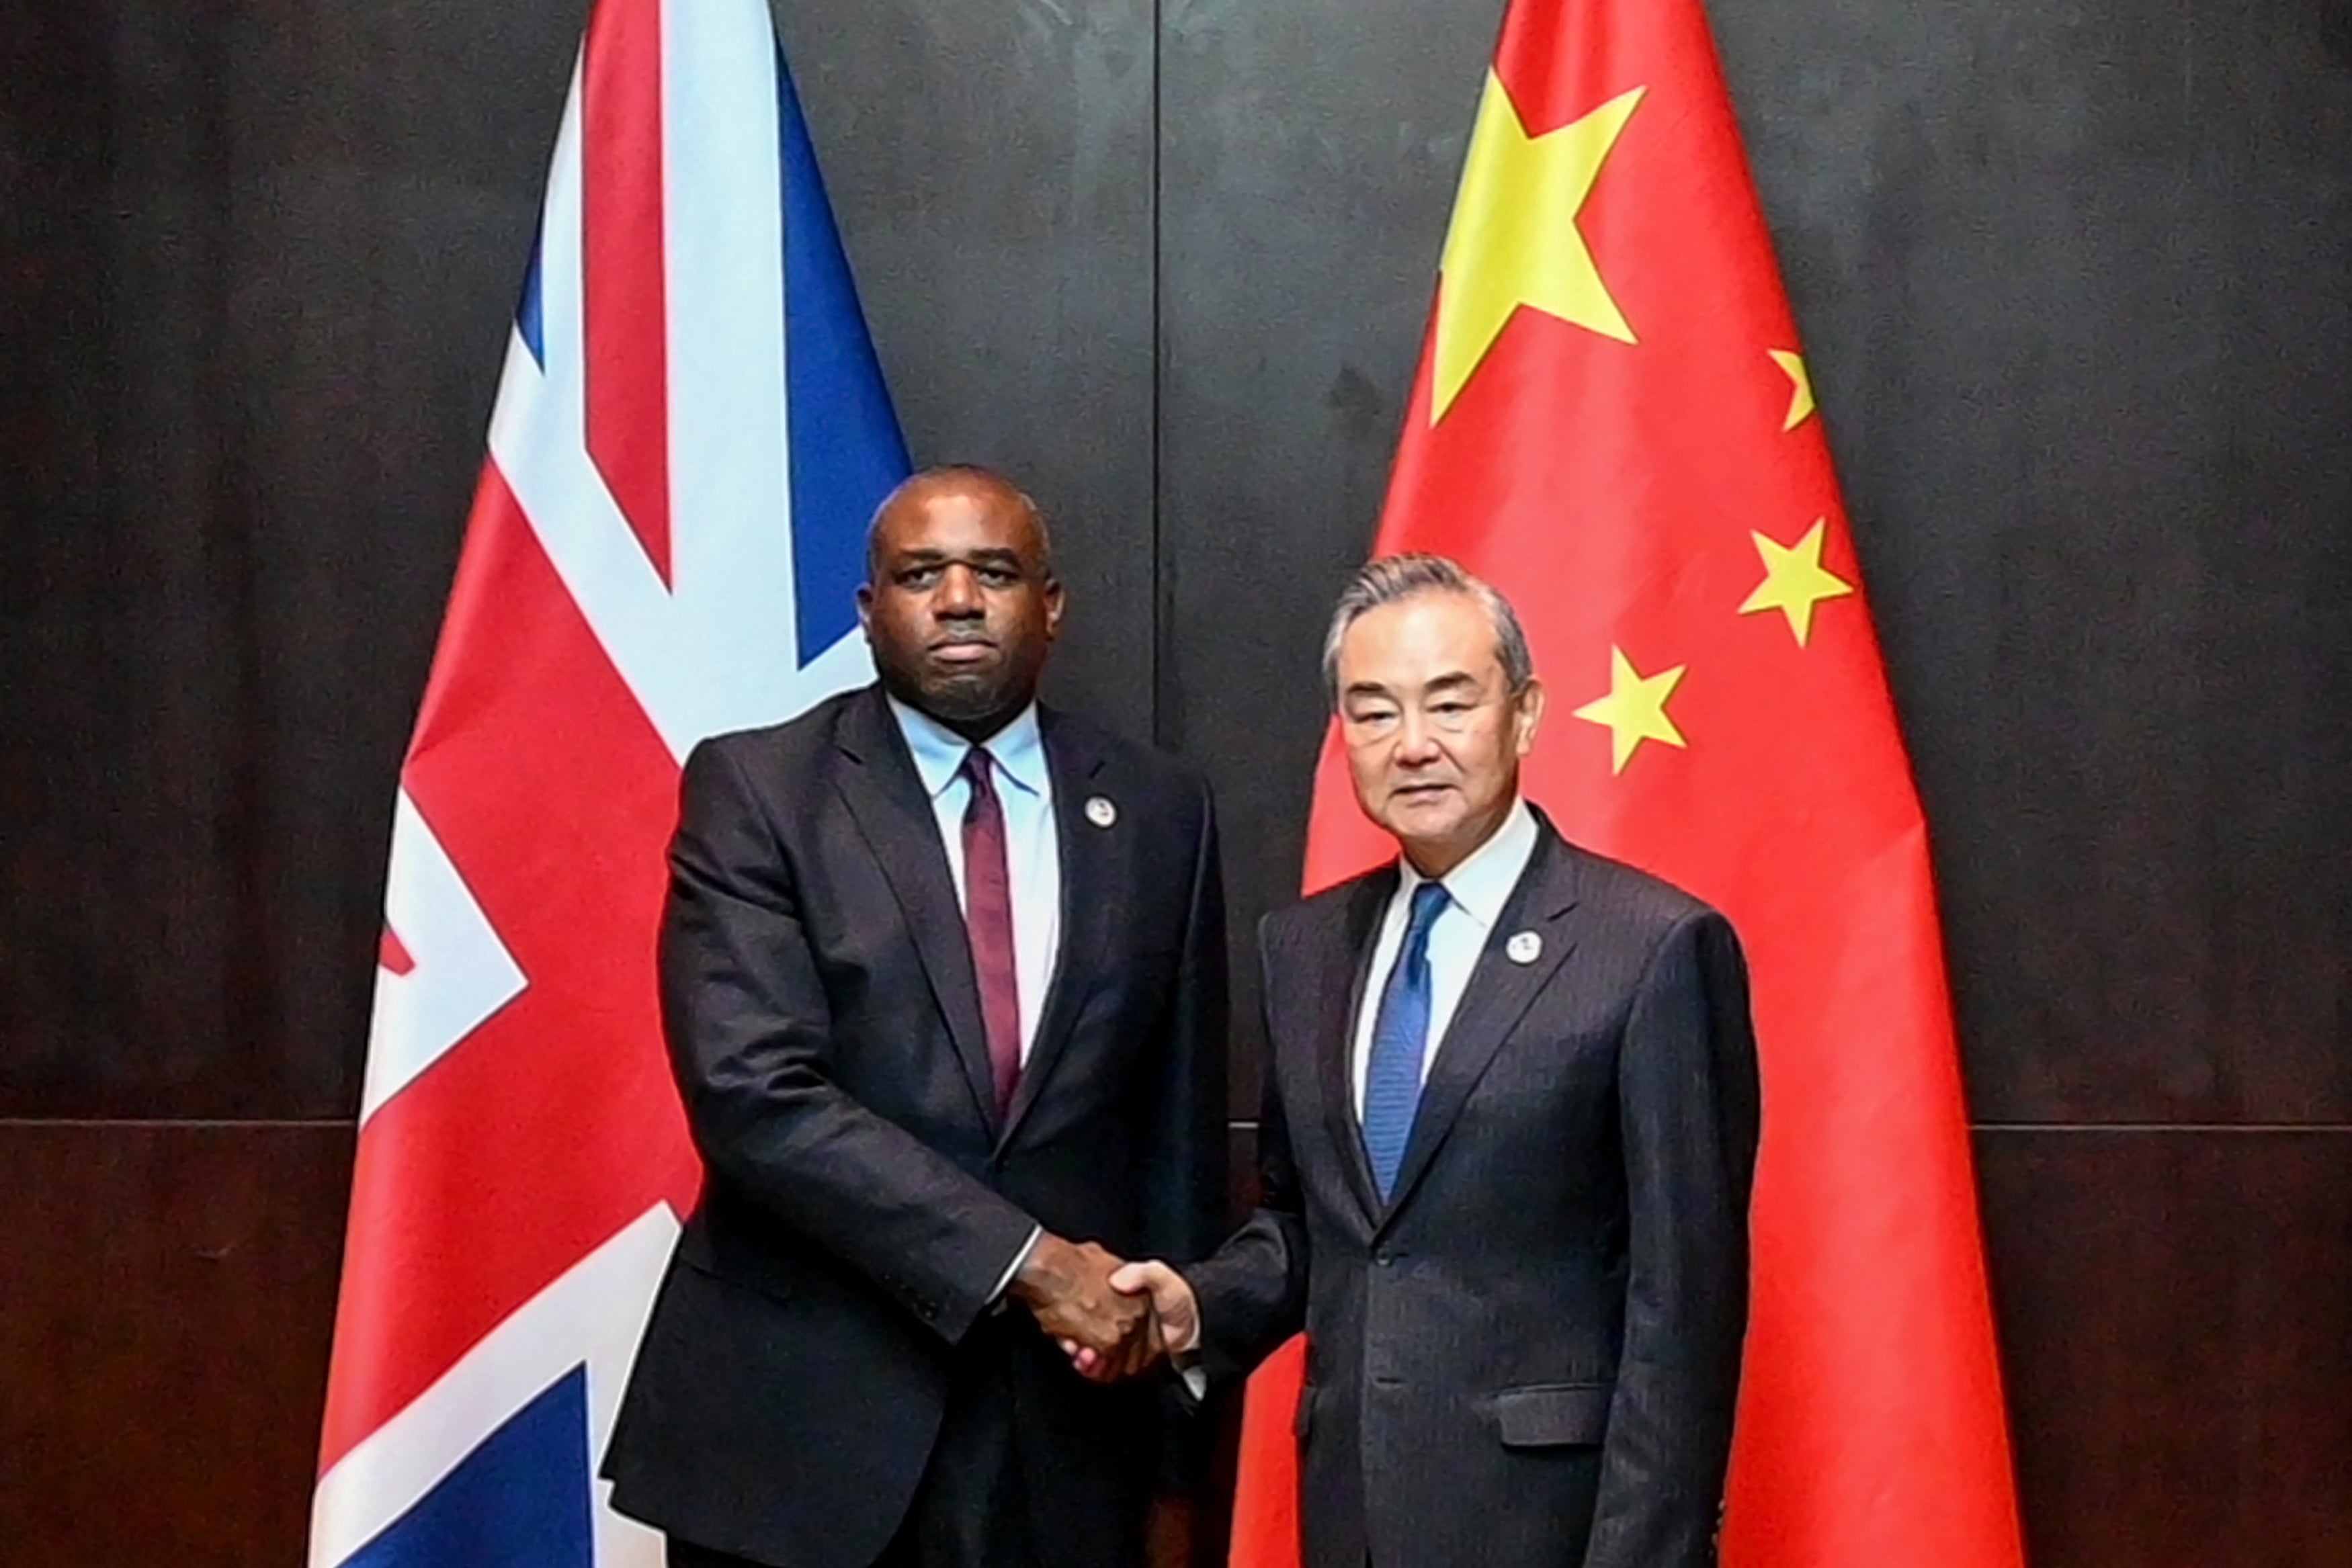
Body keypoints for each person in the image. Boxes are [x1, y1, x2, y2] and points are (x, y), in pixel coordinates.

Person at [603, 467, 1228, 1568]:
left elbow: (1174, 1134)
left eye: (993, 571)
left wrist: (1176, 1454)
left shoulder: (1159, 808)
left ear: (1051, 604)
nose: (956, 599)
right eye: (919, 573)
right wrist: (1032, 1264)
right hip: (803, 1428)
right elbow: (755, 1098)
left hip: (1069, 1440)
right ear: (868, 608)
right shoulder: (760, 789)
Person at [1102, 554, 1761, 1568]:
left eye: (1450, 704)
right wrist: (1202, 1304)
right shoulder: (1306, 949)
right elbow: (1315, 1224)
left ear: (1526, 714)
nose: (1413, 745)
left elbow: (1685, 1309)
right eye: (1373, 713)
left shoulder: (1653, 949)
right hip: (1352, 1515)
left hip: (1554, 1526)